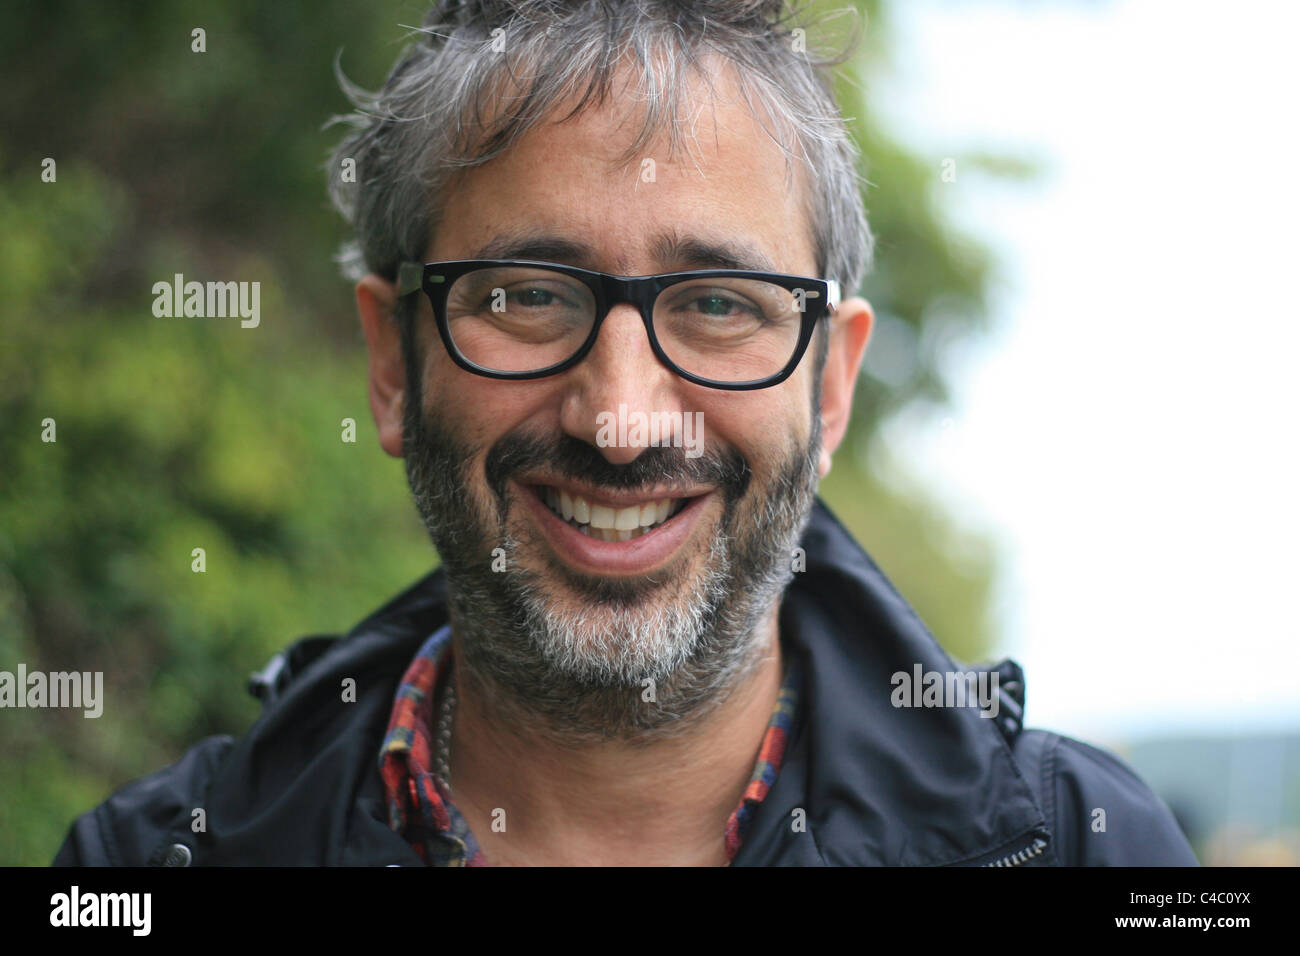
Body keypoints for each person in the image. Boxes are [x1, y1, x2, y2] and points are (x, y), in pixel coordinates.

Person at [53, 0, 1196, 867]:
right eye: (528, 295)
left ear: (830, 385)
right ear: (393, 361)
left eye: (716, 305)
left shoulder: (1085, 847)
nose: (619, 419)